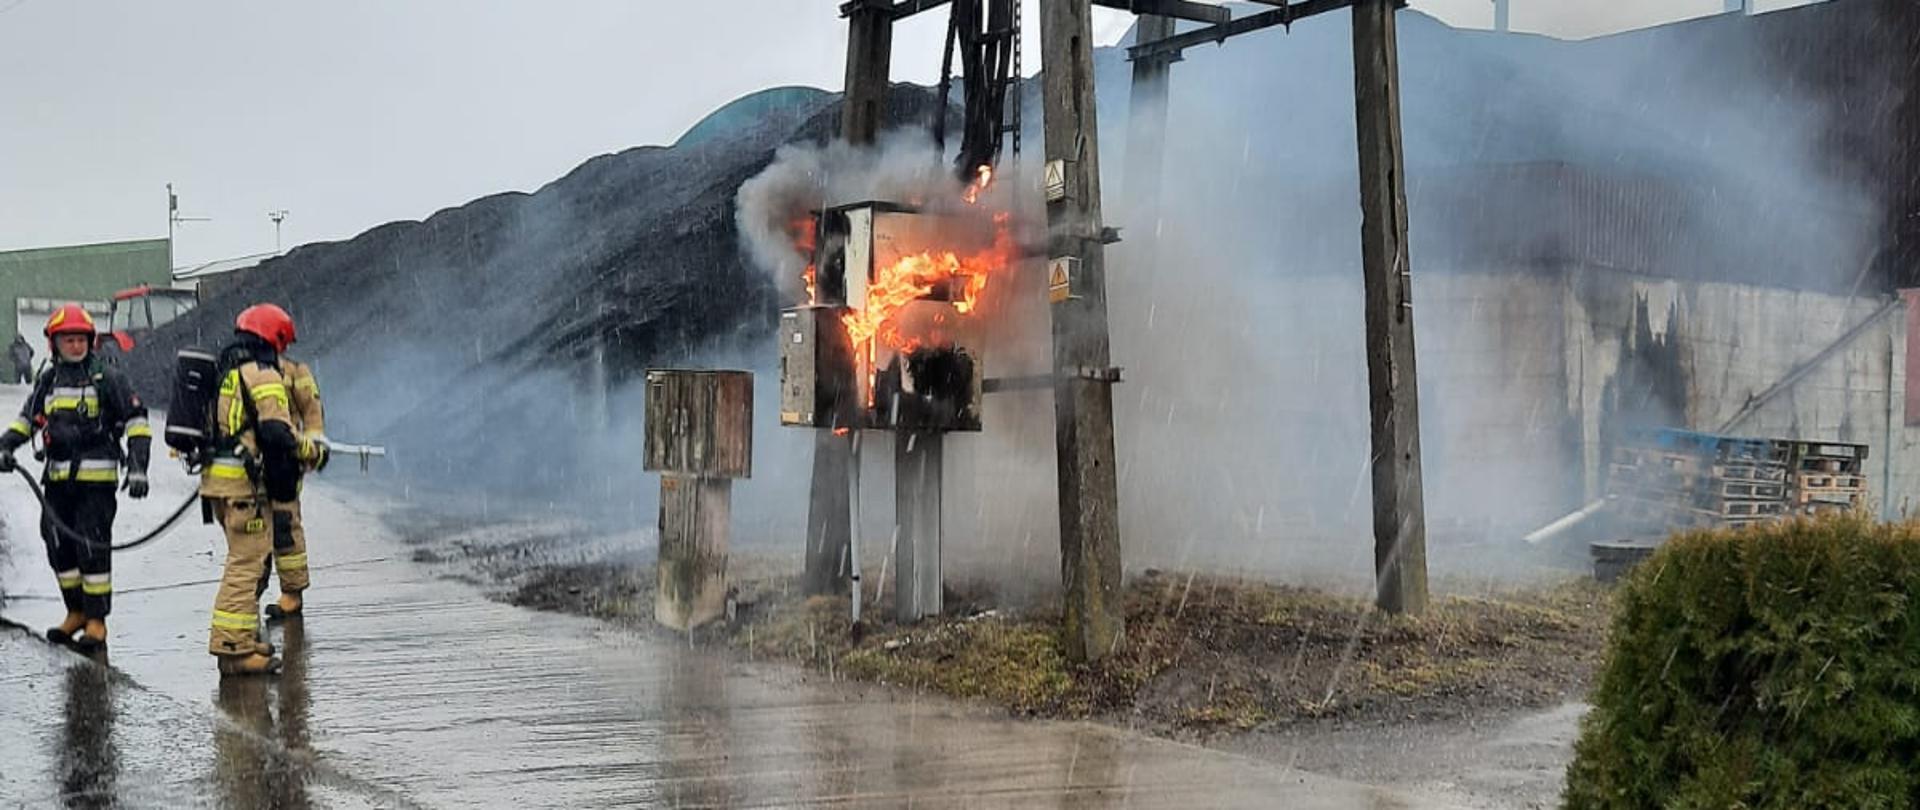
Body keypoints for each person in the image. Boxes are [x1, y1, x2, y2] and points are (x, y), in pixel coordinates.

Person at [0, 304, 151, 650]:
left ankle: (97, 622)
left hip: (96, 484)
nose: (76, 345)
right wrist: (5, 445)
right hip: (57, 481)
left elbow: (137, 421)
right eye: (68, 340)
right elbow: (28, 420)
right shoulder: (48, 380)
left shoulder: (107, 378)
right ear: (54, 344)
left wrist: (138, 467)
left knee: (91, 548)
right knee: (56, 543)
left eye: (81, 339)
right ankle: (76, 611)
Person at [201, 303, 326, 676]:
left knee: (247, 561)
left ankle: (242, 641)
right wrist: (310, 450)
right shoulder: (263, 373)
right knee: (245, 566)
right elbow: (277, 432)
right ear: (275, 339)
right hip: (245, 488)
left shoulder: (226, 371)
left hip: (219, 483)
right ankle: (233, 651)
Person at [256, 350, 326, 621]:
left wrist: (312, 448)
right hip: (253, 462)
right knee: (253, 533)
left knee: (285, 526)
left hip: (285, 460)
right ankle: (250, 591)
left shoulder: (296, 371)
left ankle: (292, 594)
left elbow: (312, 413)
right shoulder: (246, 368)